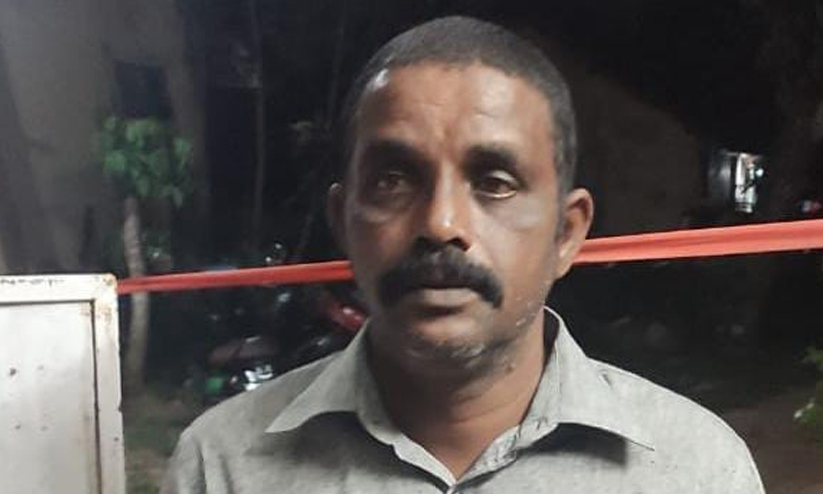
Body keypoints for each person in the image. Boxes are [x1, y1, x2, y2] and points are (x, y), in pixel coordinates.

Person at [162, 16, 764, 493]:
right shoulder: (224, 466)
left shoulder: (696, 471)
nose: (441, 223)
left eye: (494, 182)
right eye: (394, 180)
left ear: (566, 233)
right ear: (343, 222)